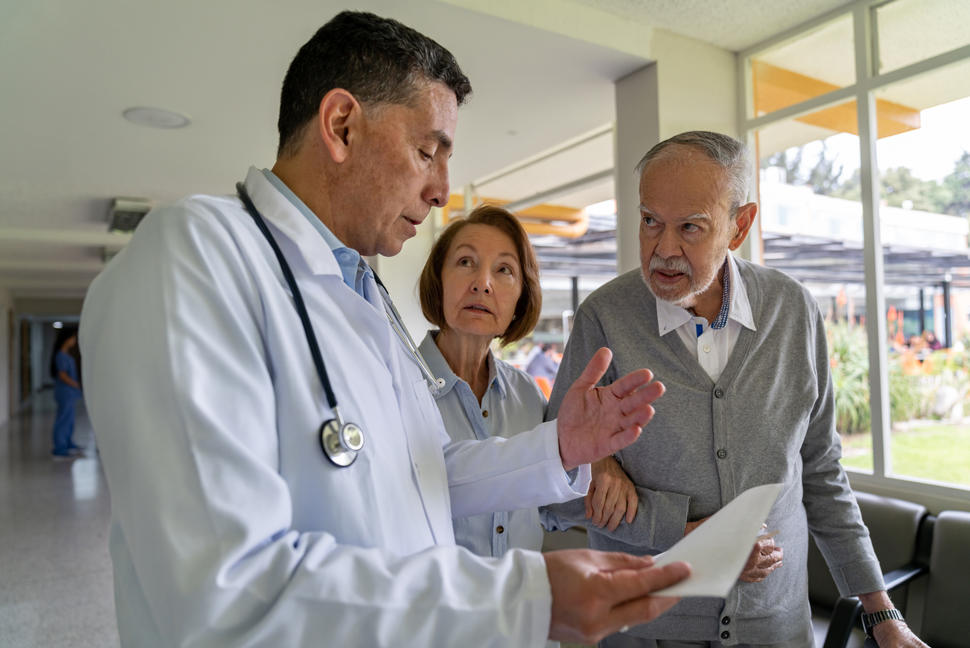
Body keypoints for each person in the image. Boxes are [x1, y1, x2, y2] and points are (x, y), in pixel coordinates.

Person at [78, 11, 689, 647]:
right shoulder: (196, 257)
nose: (441, 192)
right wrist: (522, 600)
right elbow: (224, 590)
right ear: (341, 126)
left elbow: (422, 474)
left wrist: (557, 448)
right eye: (427, 152)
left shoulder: (364, 292)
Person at [543, 131, 927, 647]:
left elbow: (819, 472)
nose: (663, 249)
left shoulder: (793, 312)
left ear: (739, 225)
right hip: (644, 629)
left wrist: (882, 615)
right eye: (650, 220)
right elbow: (556, 489)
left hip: (776, 628)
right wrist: (676, 527)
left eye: (691, 227)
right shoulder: (604, 319)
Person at [50, 326, 83, 459]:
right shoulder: (61, 356)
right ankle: (59, 448)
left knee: (69, 420)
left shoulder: (66, 354)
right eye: (73, 338)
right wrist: (77, 384)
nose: (74, 341)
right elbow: (63, 375)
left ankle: (68, 443)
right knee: (63, 420)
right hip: (65, 392)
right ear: (67, 339)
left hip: (69, 392)